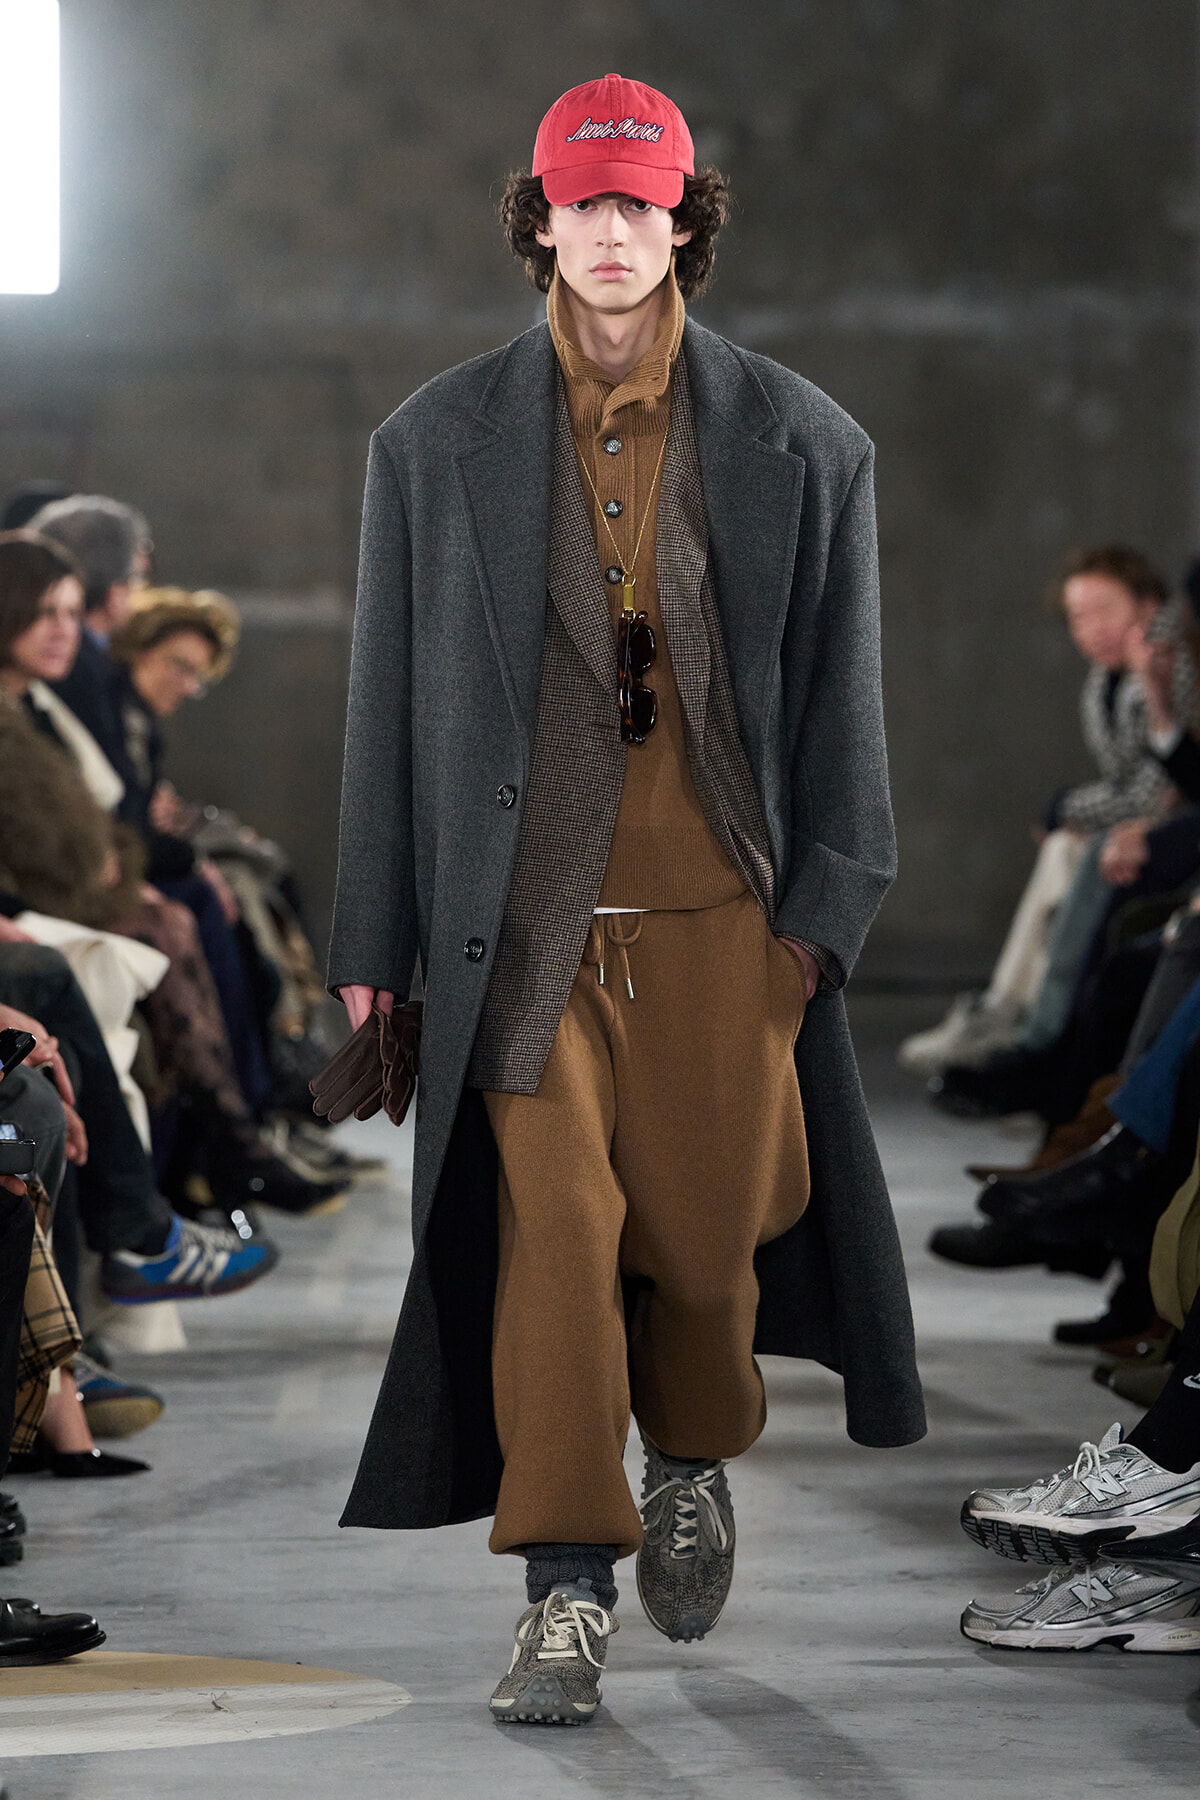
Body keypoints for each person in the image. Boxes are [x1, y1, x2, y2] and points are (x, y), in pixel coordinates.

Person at [328, 72, 923, 1724]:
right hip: (519, 933)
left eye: (637, 203)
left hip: (729, 934)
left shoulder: (807, 440)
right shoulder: (431, 442)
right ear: (537, 222)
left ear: (683, 220)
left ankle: (692, 1459)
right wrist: (372, 944)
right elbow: (385, 708)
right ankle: (563, 1587)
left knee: (706, 1259)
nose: (609, 232)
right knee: (559, 1250)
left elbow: (840, 714)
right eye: (579, 204)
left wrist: (819, 929)